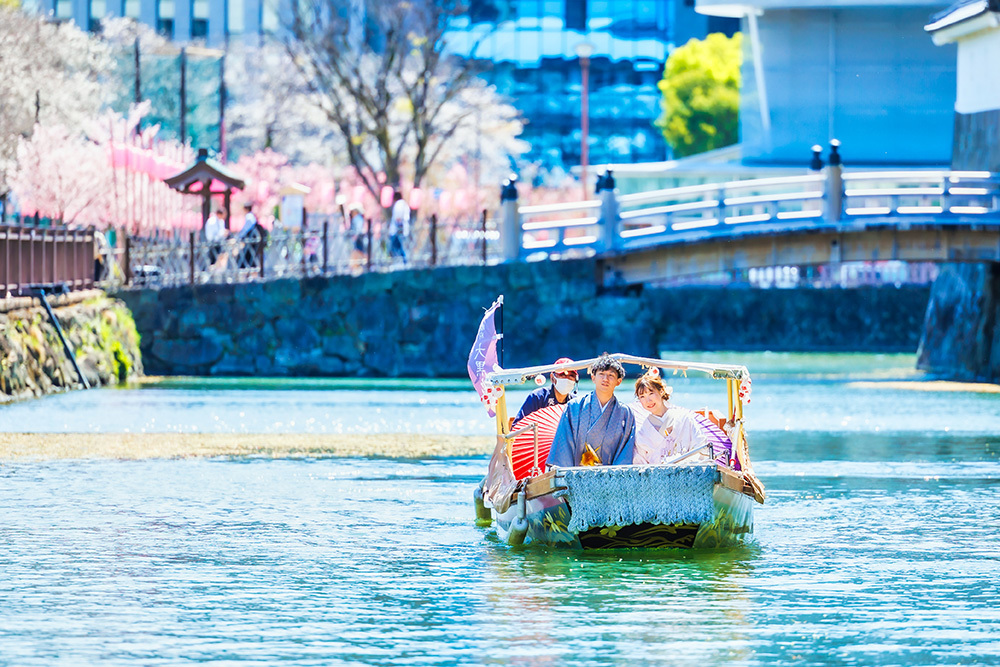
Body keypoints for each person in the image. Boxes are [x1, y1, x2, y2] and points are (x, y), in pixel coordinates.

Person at [546, 354, 636, 468]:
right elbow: (564, 446)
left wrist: (615, 477)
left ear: (619, 381)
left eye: (611, 375)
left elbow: (625, 453)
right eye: (601, 374)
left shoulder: (625, 413)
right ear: (593, 378)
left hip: (610, 479)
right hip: (576, 475)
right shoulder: (574, 407)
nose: (605, 379)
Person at [632, 369, 711, 465]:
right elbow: (640, 463)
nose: (648, 401)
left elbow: (701, 447)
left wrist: (684, 463)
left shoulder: (684, 418)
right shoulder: (642, 433)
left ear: (661, 391)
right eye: (642, 397)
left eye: (651, 393)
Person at [510, 357, 579, 427]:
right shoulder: (538, 397)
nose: (566, 379)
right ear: (552, 378)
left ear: (576, 380)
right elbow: (518, 426)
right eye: (562, 375)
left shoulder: (575, 403)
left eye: (571, 376)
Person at [237, 202, 267, 269]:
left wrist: (240, 236)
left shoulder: (249, 216)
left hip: (251, 239)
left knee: (248, 255)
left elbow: (246, 229)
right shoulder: (252, 216)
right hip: (254, 238)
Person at [388, 191, 410, 264]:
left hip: (397, 231)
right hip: (403, 230)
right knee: (402, 248)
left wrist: (399, 230)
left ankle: (400, 264)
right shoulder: (405, 204)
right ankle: (404, 263)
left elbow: (398, 218)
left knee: (396, 249)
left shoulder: (399, 204)